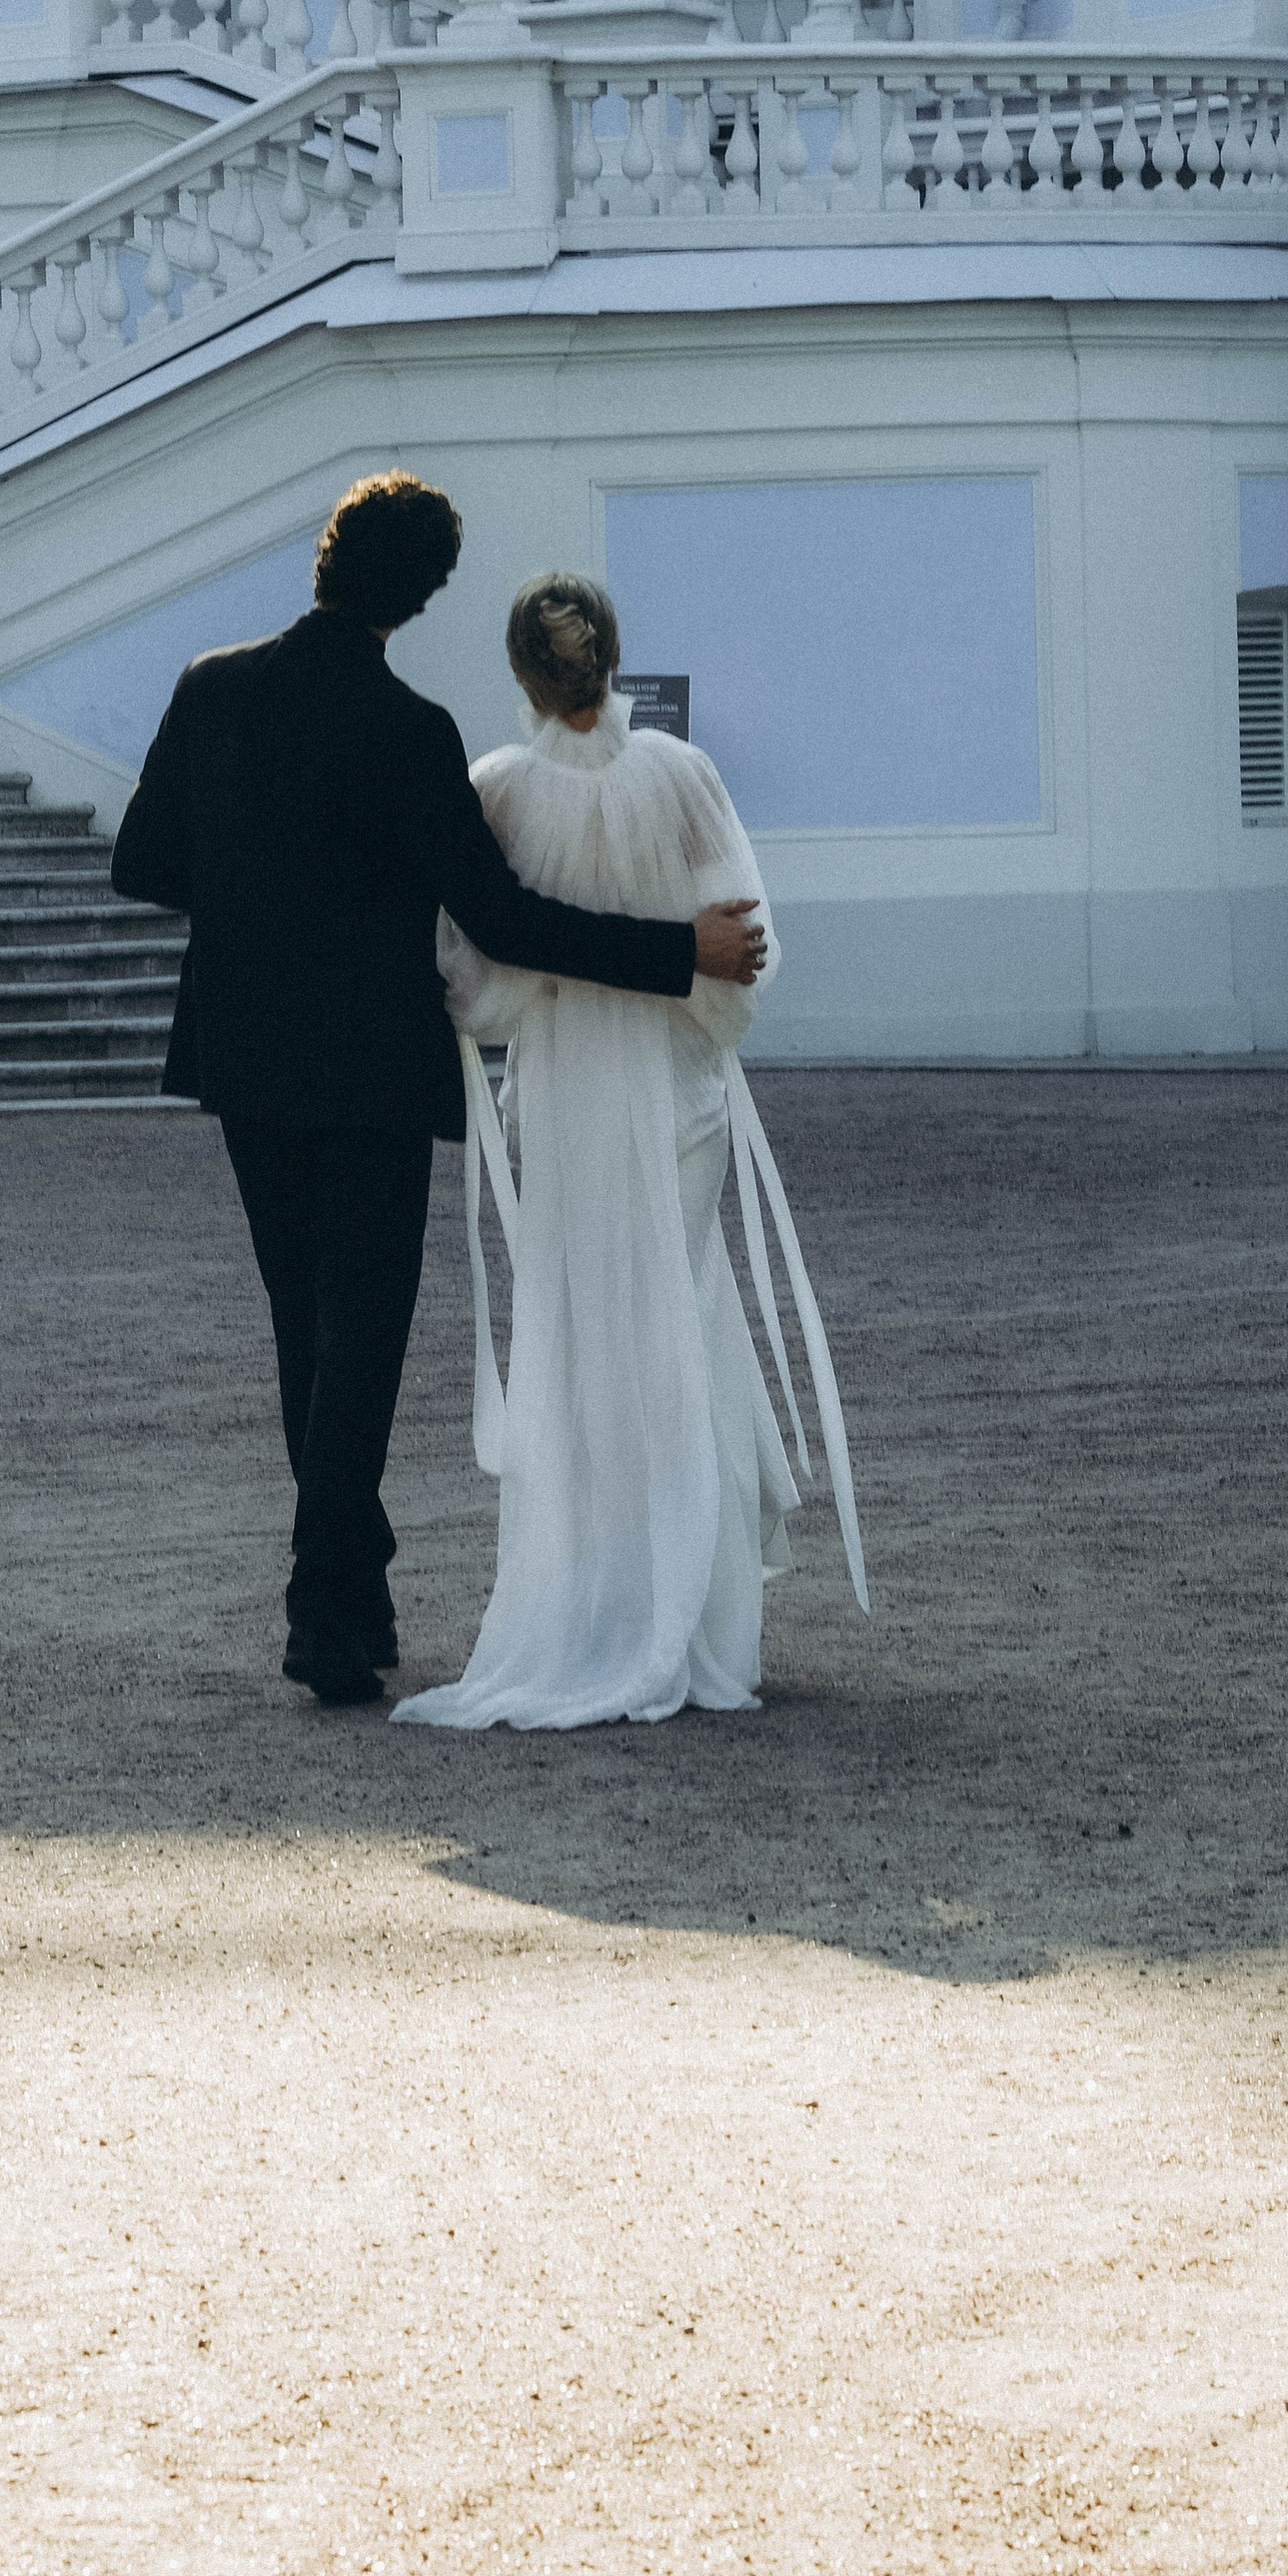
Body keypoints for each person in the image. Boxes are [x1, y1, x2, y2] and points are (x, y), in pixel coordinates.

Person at [108, 475, 770, 1707]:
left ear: (325, 558)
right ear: (417, 600)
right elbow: (506, 918)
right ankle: (324, 1609)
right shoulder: (408, 732)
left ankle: (346, 1600)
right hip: (363, 1063)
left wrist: (258, 886)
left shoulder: (211, 688)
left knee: (304, 1328)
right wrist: (676, 953)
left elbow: (140, 863)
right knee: (358, 1339)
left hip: (245, 1060)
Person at [395, 571, 866, 1735]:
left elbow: (470, 984)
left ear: (520, 674)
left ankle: (599, 1594)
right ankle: (706, 1619)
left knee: (583, 1326)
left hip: (559, 1093)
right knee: (682, 1312)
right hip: (672, 1090)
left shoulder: (494, 793)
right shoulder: (683, 777)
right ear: (612, 657)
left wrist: (544, 977)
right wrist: (680, 989)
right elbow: (743, 961)